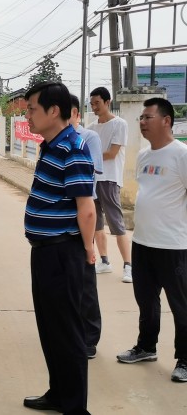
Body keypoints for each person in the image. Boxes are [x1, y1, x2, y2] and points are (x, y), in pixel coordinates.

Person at [23, 82, 95, 414]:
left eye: (32, 109)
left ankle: (76, 407)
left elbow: (87, 207)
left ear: (54, 111)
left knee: (67, 332)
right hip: (45, 251)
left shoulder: (73, 148)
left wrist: (88, 250)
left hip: (63, 252)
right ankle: (58, 393)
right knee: (50, 329)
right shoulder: (51, 145)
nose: (28, 115)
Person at [116, 97, 187, 383]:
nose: (142, 122)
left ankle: (184, 359)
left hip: (174, 246)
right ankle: (146, 346)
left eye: (147, 117)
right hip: (143, 242)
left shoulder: (181, 154)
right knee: (146, 300)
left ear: (166, 121)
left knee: (181, 305)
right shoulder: (145, 156)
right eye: (141, 118)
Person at [87, 87, 132, 283]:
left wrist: (91, 157)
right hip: (93, 180)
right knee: (96, 223)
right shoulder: (91, 128)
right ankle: (104, 261)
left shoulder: (119, 124)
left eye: (97, 103)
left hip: (110, 179)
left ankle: (128, 265)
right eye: (92, 104)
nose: (94, 107)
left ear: (107, 102)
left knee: (117, 223)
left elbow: (112, 153)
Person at [70, 94, 103, 359]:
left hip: (80, 215)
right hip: (62, 224)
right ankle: (72, 332)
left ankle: (90, 338)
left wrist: (88, 241)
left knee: (85, 282)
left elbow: (89, 181)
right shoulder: (51, 143)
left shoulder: (86, 139)